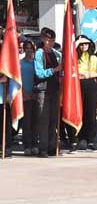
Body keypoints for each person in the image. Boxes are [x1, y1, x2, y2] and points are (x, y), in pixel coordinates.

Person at [33, 27, 62, 158]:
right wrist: (54, 70)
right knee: (43, 121)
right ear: (43, 39)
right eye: (48, 39)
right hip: (43, 90)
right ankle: (43, 148)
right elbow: (39, 73)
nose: (50, 42)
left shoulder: (56, 54)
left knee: (53, 120)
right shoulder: (39, 53)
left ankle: (52, 146)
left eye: (52, 40)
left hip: (54, 90)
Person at [75, 36, 97, 151]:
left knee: (91, 113)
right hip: (78, 86)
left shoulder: (94, 58)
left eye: (86, 43)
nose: (84, 46)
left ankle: (91, 139)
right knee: (80, 112)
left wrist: (87, 75)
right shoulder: (75, 57)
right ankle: (81, 138)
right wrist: (76, 42)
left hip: (92, 86)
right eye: (81, 44)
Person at [19, 40, 38, 155]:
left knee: (36, 122)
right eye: (27, 48)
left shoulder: (38, 62)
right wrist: (24, 93)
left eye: (31, 48)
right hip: (25, 96)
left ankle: (35, 144)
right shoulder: (20, 63)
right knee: (26, 122)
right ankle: (27, 145)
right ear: (24, 49)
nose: (29, 50)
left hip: (36, 96)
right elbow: (18, 80)